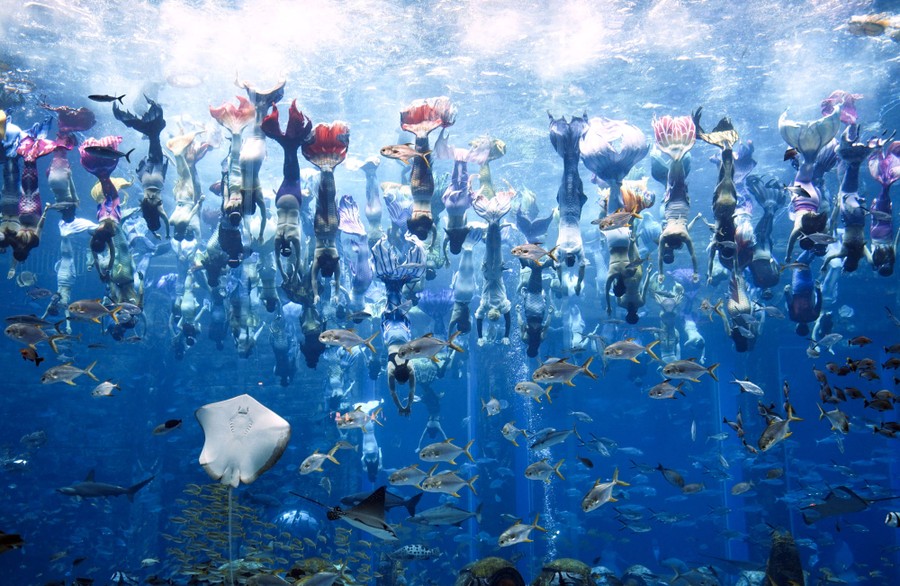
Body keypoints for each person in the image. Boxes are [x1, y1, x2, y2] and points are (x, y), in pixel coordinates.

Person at [472, 188, 516, 345]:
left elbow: (480, 319)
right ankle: (494, 220)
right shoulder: (501, 305)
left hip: (492, 271)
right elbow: (508, 319)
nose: (492, 316)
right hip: (494, 271)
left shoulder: (487, 306)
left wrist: (480, 337)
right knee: (493, 247)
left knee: (492, 247)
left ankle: (493, 220)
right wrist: (505, 336)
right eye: (494, 317)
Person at [784, 250, 822, 336]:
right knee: (798, 264)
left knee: (806, 265)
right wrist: (786, 292)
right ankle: (811, 247)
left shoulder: (814, 317)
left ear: (808, 328)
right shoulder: (793, 317)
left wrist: (818, 290)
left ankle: (815, 250)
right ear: (797, 327)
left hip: (809, 288)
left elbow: (819, 303)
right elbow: (790, 304)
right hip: (798, 288)